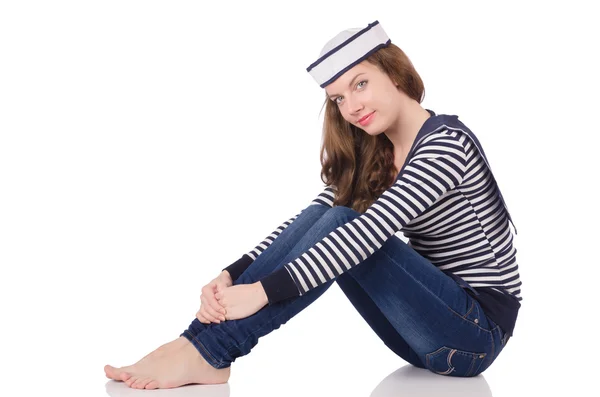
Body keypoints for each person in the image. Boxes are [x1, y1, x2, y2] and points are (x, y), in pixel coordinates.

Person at [104, 20, 522, 390]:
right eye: (339, 98)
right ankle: (196, 343)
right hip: (423, 336)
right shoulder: (376, 154)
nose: (352, 107)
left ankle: (209, 352)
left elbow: (370, 230)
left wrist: (264, 292)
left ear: (395, 73)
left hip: (475, 335)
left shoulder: (446, 143)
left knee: (347, 223)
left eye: (360, 84)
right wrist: (232, 274)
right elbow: (308, 220)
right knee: (331, 213)